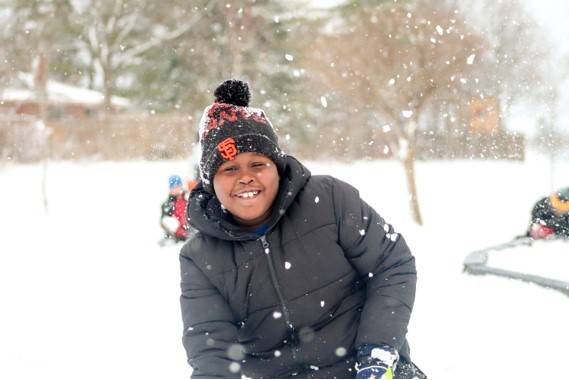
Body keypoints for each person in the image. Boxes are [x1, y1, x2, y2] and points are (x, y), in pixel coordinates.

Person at [179, 79, 425, 379]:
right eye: (229, 169)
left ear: (277, 168)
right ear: (210, 183)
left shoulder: (329, 199)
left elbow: (392, 265)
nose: (245, 178)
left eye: (257, 164)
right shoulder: (200, 256)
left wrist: (376, 352)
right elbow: (210, 347)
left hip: (369, 369)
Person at [160, 174, 190, 242]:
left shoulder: (187, 199)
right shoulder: (167, 204)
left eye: (178, 186)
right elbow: (164, 220)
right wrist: (170, 223)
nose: (176, 189)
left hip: (189, 233)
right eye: (173, 187)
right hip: (175, 235)